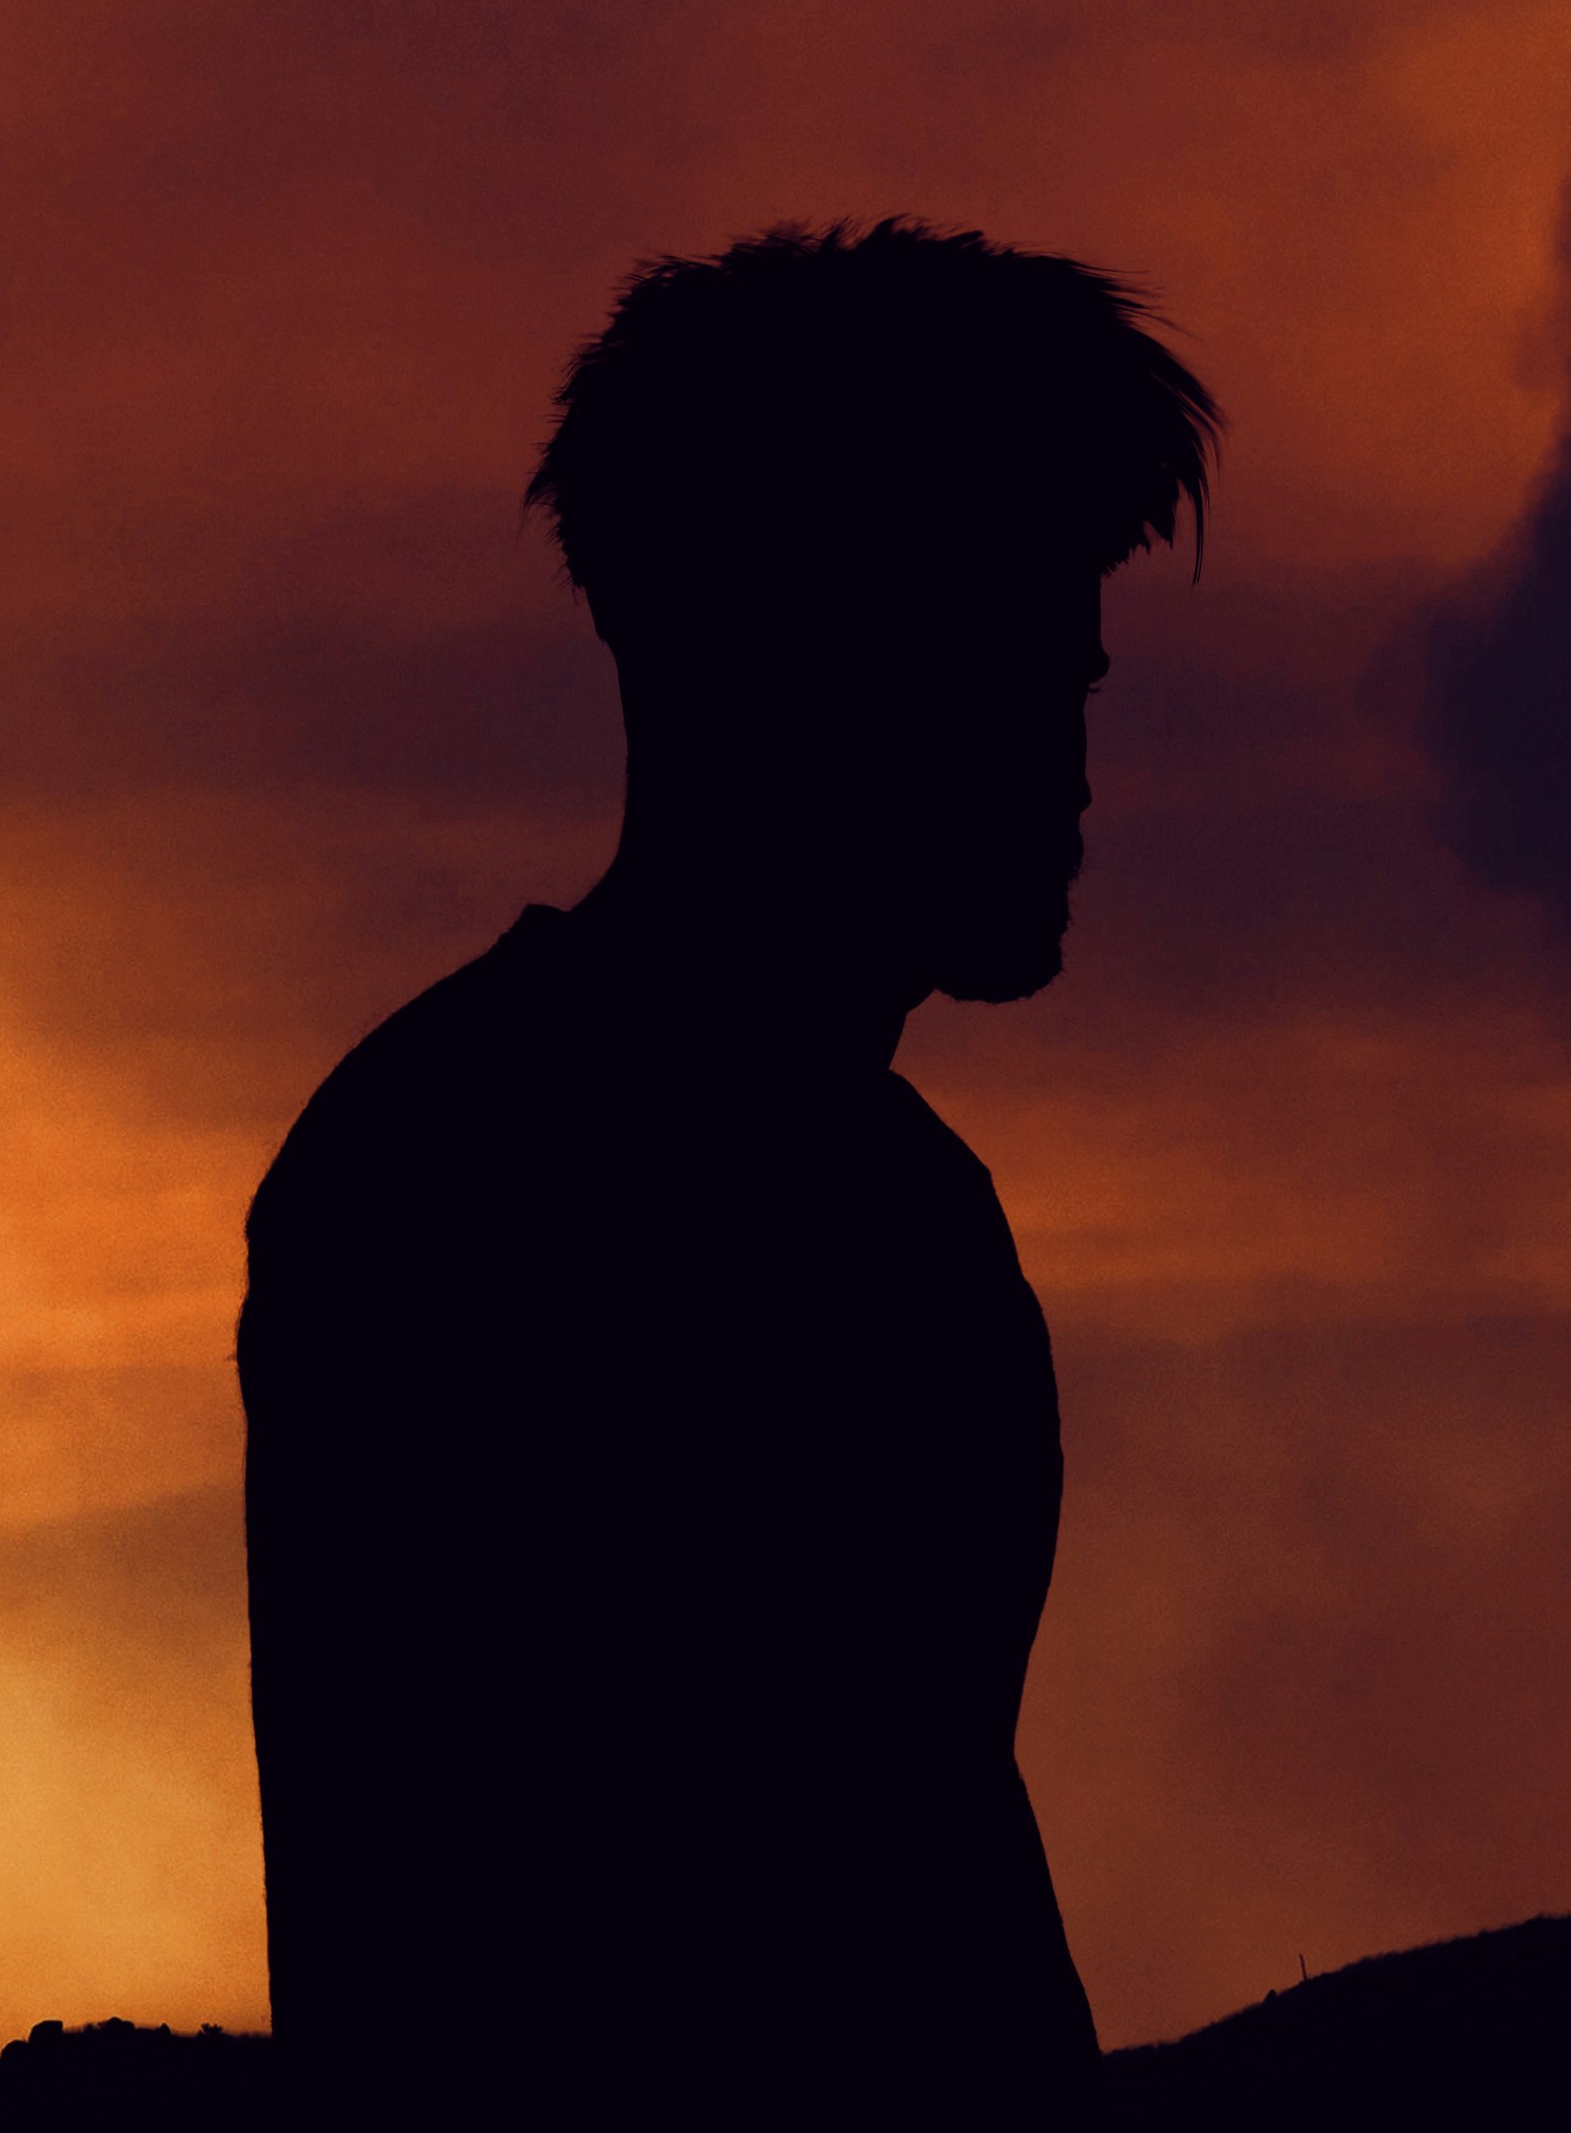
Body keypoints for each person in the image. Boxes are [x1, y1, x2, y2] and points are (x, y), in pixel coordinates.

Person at [238, 219, 1213, 2123]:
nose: (1075, 765)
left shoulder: (892, 1217)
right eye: (1012, 665)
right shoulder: (469, 1180)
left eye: (1073, 679)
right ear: (803, 660)